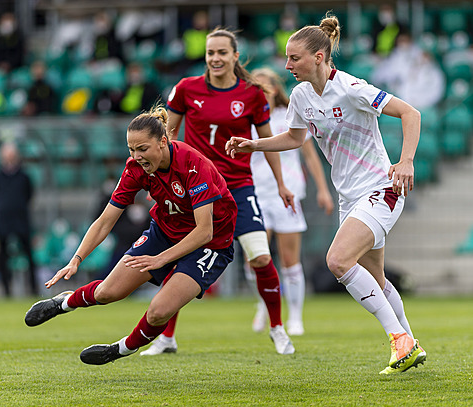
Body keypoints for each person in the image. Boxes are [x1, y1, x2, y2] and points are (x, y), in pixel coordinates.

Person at [225, 14, 426, 374]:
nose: (287, 65)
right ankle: (412, 343)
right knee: (376, 280)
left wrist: (406, 161)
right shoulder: (302, 95)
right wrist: (253, 145)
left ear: (319, 57)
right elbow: (295, 138)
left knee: (337, 260)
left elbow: (410, 114)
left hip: (381, 189)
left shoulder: (352, 88)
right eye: (287, 58)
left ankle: (400, 340)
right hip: (350, 198)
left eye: (294, 58)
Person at [23, 106, 237, 366]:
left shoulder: (194, 165)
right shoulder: (134, 168)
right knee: (106, 292)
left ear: (162, 142)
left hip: (210, 245)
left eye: (143, 149)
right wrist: (76, 259)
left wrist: (160, 260)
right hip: (165, 232)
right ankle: (64, 303)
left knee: (159, 311)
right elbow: (105, 221)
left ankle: (121, 349)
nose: (136, 156)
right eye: (131, 150)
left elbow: (205, 230)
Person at [142, 28, 297, 357]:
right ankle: (167, 337)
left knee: (261, 256)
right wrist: (158, 177)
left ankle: (277, 328)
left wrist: (282, 183)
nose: (215, 58)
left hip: (238, 187)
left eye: (222, 53)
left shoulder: (253, 93)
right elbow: (165, 136)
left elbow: (267, 142)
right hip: (193, 190)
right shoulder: (186, 89)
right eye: (210, 52)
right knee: (180, 259)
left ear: (234, 56)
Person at [247, 67, 334, 335]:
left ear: (275, 89)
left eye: (266, 85)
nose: (262, 90)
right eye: (256, 86)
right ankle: (265, 303)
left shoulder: (288, 117)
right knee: (256, 259)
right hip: (256, 193)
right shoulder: (247, 122)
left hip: (288, 192)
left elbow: (310, 156)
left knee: (289, 259)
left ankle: (295, 316)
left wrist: (322, 189)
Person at [0, 142, 37, 297]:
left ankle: (33, 288)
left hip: (21, 219)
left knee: (28, 253)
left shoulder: (24, 176)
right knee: (2, 254)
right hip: (3, 219)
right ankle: (6, 289)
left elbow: (29, 194)